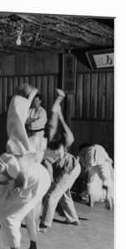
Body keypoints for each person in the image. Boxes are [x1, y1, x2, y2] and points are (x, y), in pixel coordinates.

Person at [40, 90, 81, 230]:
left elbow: (65, 134)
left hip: (71, 167)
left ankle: (45, 224)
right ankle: (73, 219)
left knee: (51, 195)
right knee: (62, 193)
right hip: (67, 168)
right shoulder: (44, 148)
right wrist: (58, 107)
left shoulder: (54, 146)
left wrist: (59, 111)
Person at [78, 143, 114, 209]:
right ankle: (108, 195)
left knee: (89, 182)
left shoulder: (83, 150)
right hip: (103, 162)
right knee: (106, 180)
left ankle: (90, 200)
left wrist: (84, 169)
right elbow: (107, 158)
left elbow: (81, 161)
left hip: (91, 164)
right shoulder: (100, 147)